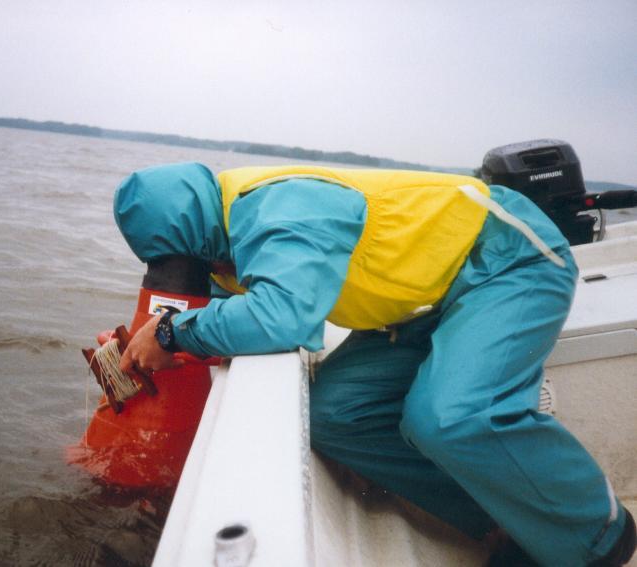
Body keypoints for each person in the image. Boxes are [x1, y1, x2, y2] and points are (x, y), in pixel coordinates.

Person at [114, 162, 635, 566]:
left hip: (507, 261)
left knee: (451, 417)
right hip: (425, 303)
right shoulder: (219, 234)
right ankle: (502, 518)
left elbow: (282, 319)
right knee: (335, 413)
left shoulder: (277, 210)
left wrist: (169, 332)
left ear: (193, 236)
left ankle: (598, 534)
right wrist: (139, 341)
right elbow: (207, 311)